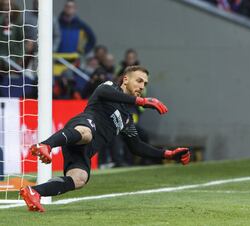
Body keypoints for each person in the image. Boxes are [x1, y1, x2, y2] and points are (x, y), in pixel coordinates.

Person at [19, 65, 191, 212]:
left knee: (79, 179)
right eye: (139, 81)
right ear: (125, 79)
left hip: (85, 150)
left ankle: (34, 192)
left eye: (145, 84)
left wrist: (168, 155)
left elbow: (137, 147)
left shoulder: (127, 118)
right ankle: (45, 146)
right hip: (82, 126)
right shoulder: (110, 87)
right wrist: (141, 101)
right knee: (86, 133)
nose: (142, 86)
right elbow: (103, 92)